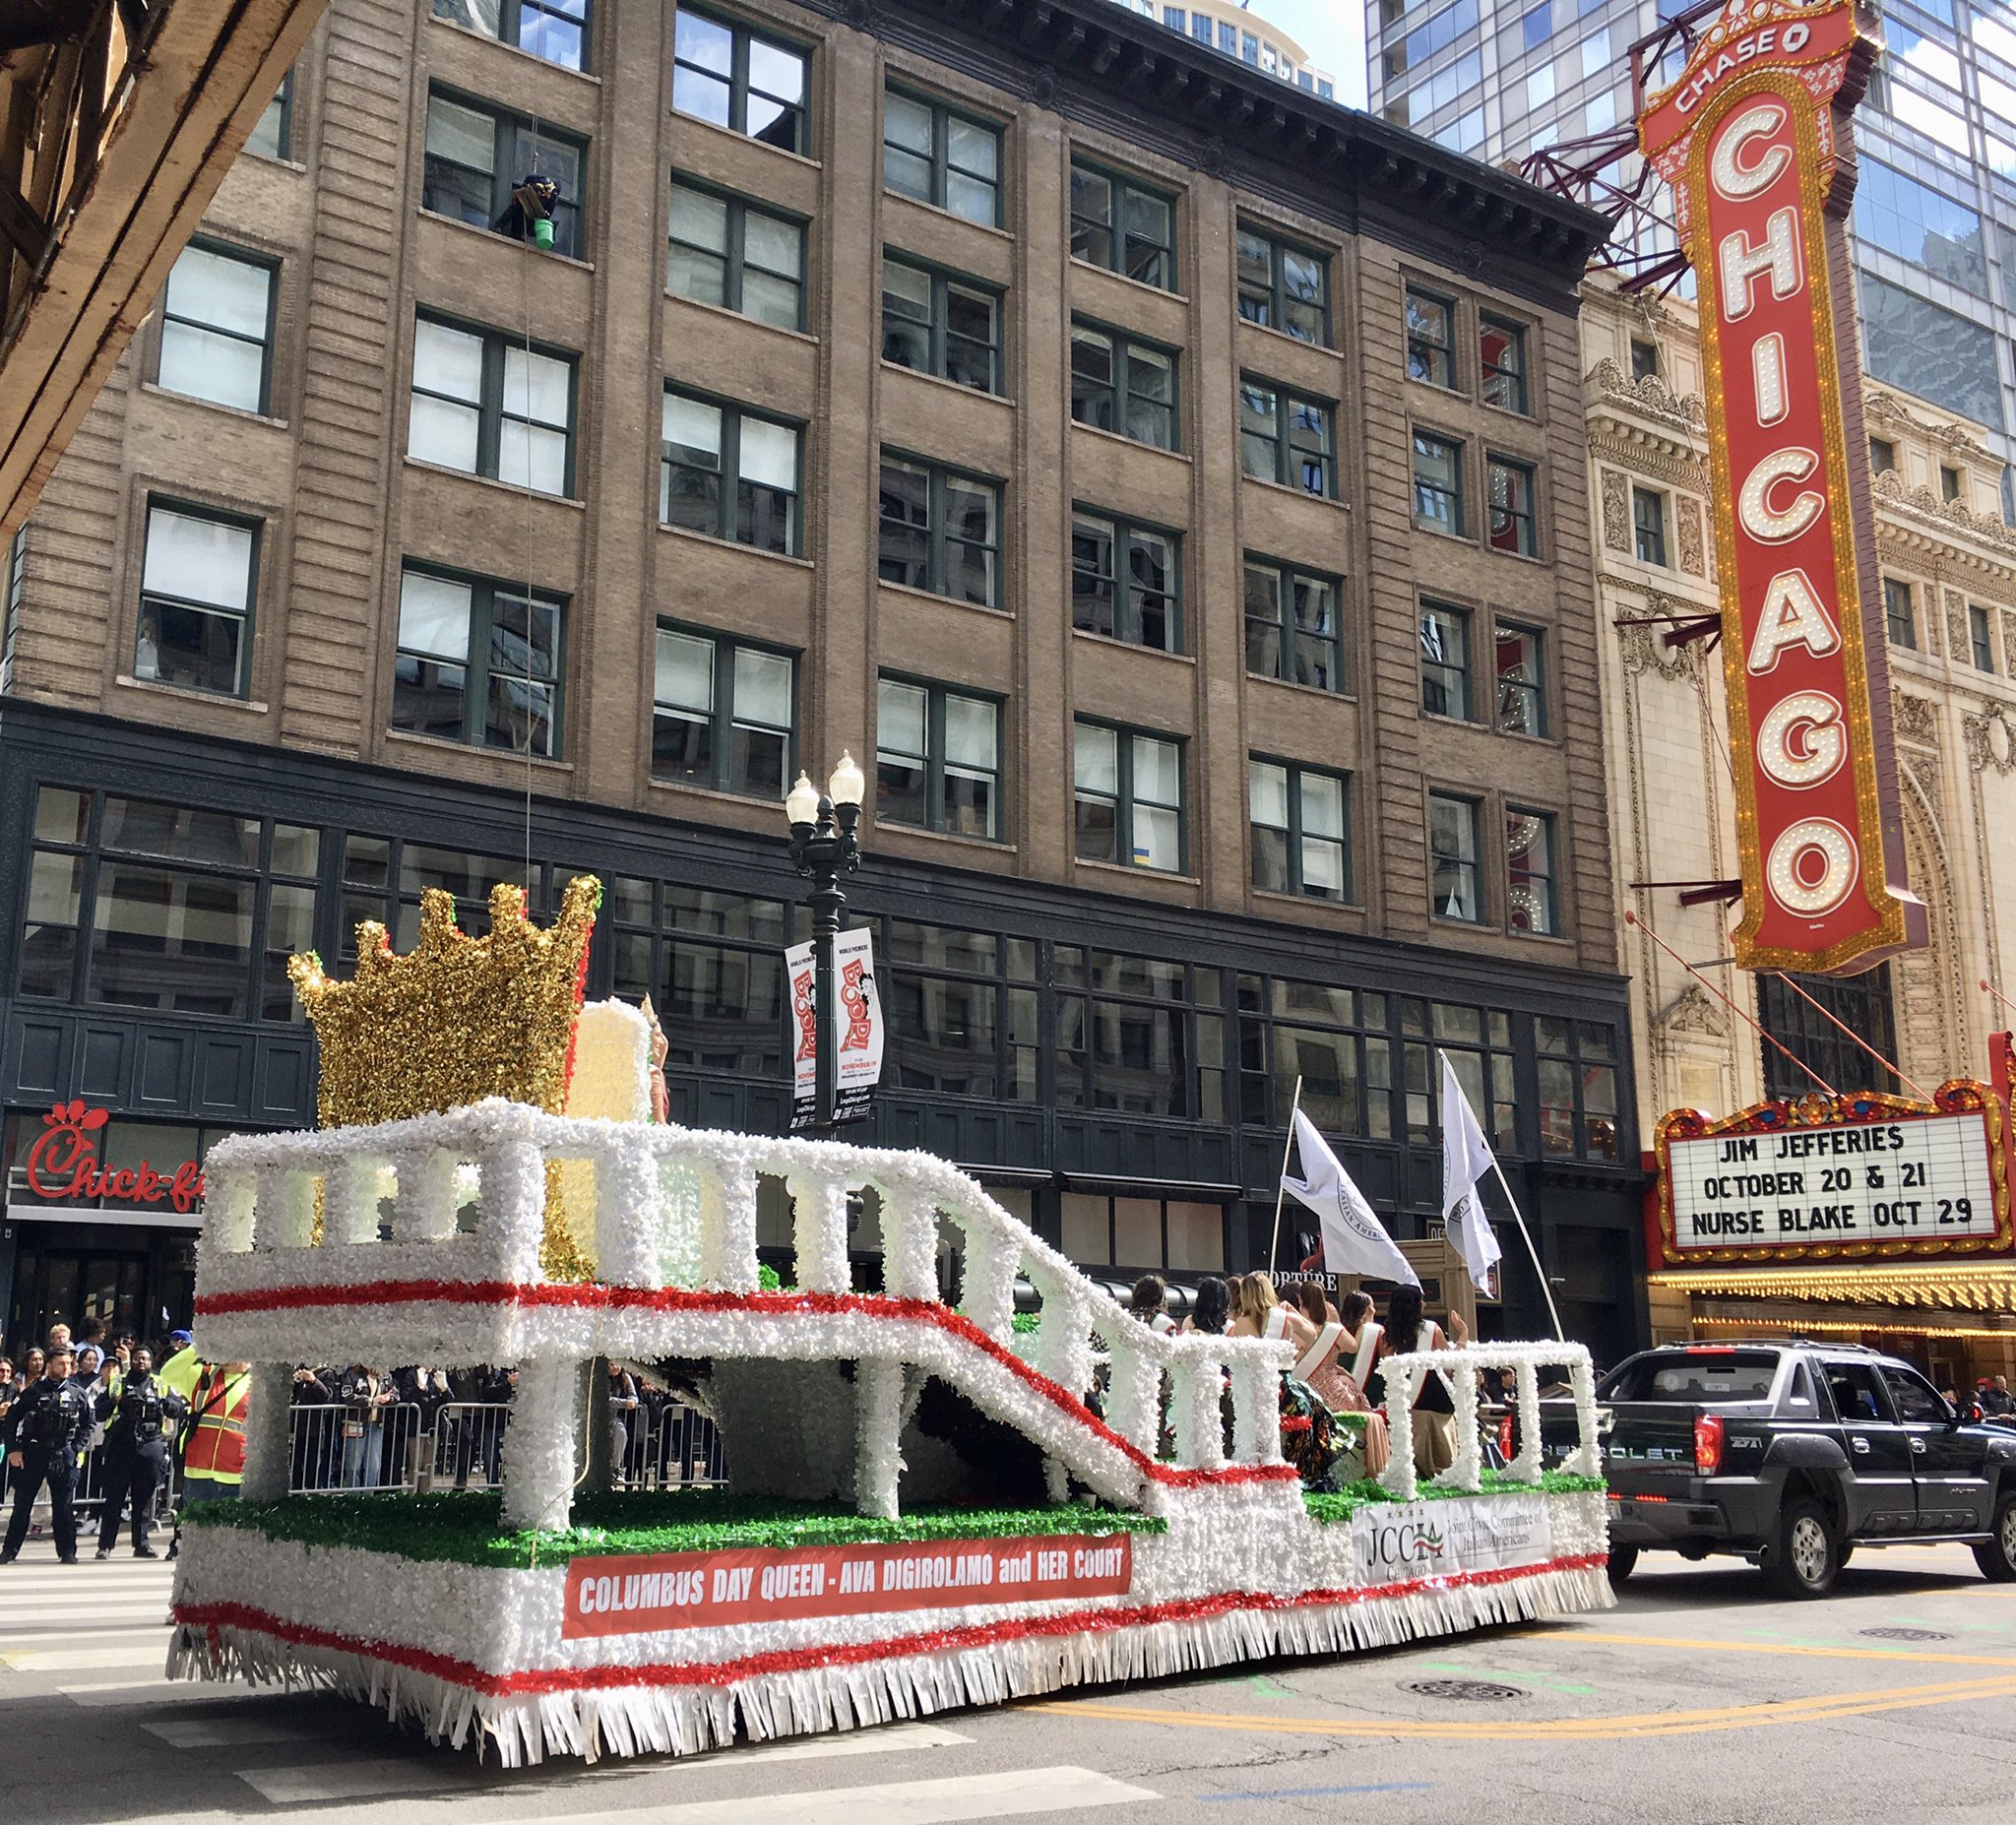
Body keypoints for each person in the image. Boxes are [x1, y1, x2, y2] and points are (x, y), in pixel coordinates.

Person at [1, 1347, 95, 1563]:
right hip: (34, 1453)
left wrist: (76, 1448)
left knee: (63, 1508)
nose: (66, 1368)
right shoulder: (33, 1391)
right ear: (49, 1365)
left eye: (69, 1364)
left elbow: (89, 1423)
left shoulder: (77, 1392)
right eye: (61, 1363)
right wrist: (14, 1449)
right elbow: (12, 1419)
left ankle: (67, 1552)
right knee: (22, 1506)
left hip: (64, 1454)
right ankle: (9, 1551)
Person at [93, 1348, 184, 1559]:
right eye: (136, 1358)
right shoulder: (117, 1383)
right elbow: (98, 1412)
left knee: (143, 1499)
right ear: (130, 1361)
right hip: (121, 1445)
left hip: (150, 1444)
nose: (140, 1362)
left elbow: (178, 1409)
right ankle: (105, 1545)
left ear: (151, 1361)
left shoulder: (160, 1384)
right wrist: (117, 1401)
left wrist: (164, 1404)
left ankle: (141, 1544)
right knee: (114, 1498)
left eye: (144, 1359)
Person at [1375, 1285, 1469, 1478]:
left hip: (1403, 1398)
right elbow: (1451, 1363)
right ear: (1416, 1305)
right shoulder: (1431, 1329)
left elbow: (1387, 1366)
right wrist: (1463, 1336)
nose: (1424, 1303)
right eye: (1421, 1299)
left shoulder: (1386, 1334)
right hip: (1433, 1398)